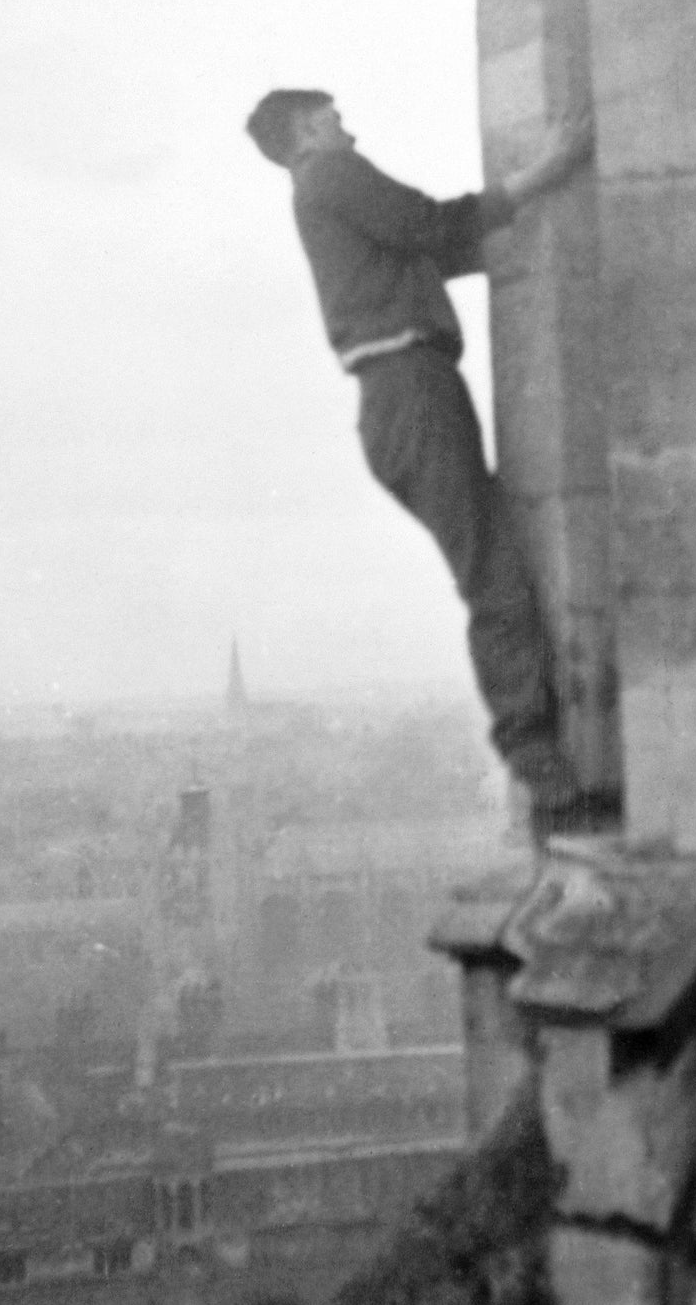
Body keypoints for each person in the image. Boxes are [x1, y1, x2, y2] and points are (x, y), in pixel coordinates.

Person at [245, 88, 607, 837]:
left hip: (403, 396)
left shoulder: (323, 197)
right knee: (495, 579)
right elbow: (430, 224)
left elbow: (433, 248)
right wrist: (545, 171)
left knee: (495, 567)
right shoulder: (331, 176)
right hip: (408, 390)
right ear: (306, 131)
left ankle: (541, 759)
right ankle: (539, 763)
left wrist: (523, 214)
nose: (348, 126)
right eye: (333, 117)